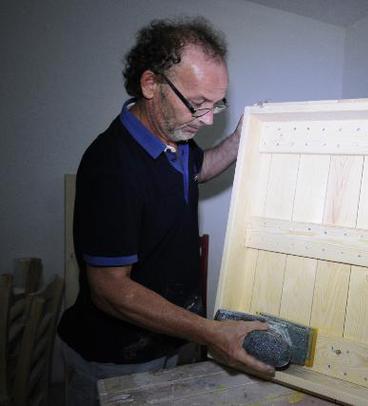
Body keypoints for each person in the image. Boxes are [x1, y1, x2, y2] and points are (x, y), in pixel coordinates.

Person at [57, 17, 274, 405]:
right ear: (150, 84)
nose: (208, 119)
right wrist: (210, 333)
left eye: (216, 104)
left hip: (172, 340)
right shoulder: (112, 166)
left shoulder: (176, 138)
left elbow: (199, 170)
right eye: (198, 103)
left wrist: (240, 138)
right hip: (116, 359)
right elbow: (109, 290)